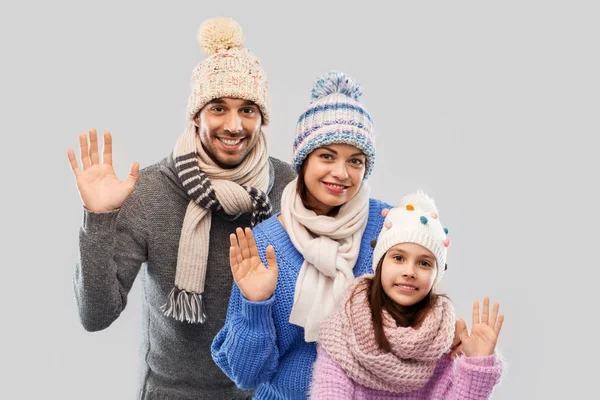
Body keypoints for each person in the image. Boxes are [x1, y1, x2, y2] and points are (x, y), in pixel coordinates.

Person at [67, 17, 295, 400]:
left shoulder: (287, 187)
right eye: (218, 108)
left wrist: (393, 230)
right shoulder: (153, 190)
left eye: (248, 110)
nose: (234, 125)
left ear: (261, 119)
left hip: (266, 390)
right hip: (170, 392)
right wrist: (99, 220)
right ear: (196, 114)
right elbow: (96, 315)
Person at [211, 70, 391, 399]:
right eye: (327, 156)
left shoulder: (388, 227)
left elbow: (416, 333)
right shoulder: (265, 243)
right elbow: (246, 374)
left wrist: (427, 257)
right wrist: (256, 303)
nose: (341, 173)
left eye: (355, 160)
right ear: (303, 160)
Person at [311, 191, 505, 399]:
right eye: (398, 258)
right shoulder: (343, 328)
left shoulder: (446, 339)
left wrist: (477, 362)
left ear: (435, 275)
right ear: (380, 263)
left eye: (424, 263)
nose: (409, 272)